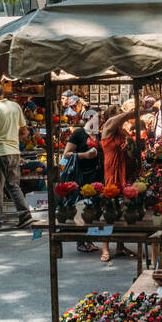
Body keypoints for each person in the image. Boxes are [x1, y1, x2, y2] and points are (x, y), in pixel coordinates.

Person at [0, 82, 33, 231]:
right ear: (2, 94)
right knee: (13, 186)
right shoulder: (15, 106)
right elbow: (24, 131)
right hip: (14, 152)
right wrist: (12, 138)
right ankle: (25, 216)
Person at [99, 102, 139, 263]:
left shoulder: (122, 131)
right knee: (109, 212)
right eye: (117, 112)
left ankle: (120, 245)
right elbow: (123, 117)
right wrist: (136, 112)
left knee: (121, 210)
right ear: (111, 116)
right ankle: (105, 247)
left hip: (125, 174)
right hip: (113, 175)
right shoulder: (108, 128)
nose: (121, 113)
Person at [61, 117, 102, 254]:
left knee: (92, 207)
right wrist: (84, 155)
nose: (98, 121)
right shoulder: (79, 133)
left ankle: (89, 239)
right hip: (80, 174)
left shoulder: (98, 135)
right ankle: (80, 241)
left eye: (100, 118)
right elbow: (66, 154)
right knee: (80, 207)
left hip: (94, 175)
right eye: (96, 118)